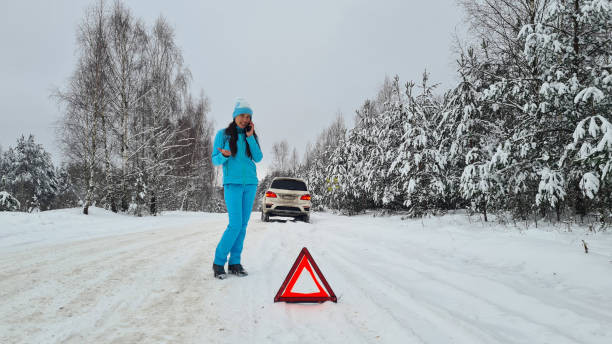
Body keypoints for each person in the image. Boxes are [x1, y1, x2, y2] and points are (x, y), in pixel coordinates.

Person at [211, 98, 263, 279]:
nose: (245, 119)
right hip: (232, 184)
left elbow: (258, 157)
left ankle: (235, 263)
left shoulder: (251, 136)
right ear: (235, 116)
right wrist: (224, 156)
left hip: (250, 183)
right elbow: (214, 159)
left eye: (248, 116)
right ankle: (218, 262)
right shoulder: (223, 134)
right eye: (242, 115)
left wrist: (250, 138)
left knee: (242, 226)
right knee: (234, 225)